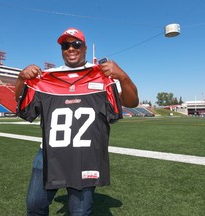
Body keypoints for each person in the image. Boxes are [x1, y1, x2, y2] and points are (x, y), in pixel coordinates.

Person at [15, 27, 139, 215]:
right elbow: (21, 105)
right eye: (66, 45)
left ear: (85, 48)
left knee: (80, 212)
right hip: (49, 153)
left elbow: (132, 102)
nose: (71, 48)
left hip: (85, 155)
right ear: (62, 50)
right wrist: (20, 78)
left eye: (76, 44)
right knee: (34, 205)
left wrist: (122, 76)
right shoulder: (46, 78)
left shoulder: (103, 76)